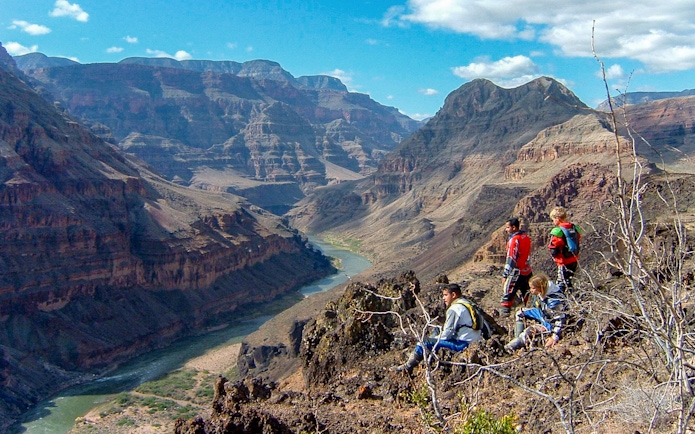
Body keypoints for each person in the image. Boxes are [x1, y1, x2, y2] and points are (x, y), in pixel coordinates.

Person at [392, 283, 482, 373]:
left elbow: (447, 334)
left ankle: (408, 367)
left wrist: (432, 340)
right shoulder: (467, 303)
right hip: (474, 341)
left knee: (423, 342)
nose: (443, 298)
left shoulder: (454, 309)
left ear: (453, 295)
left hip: (462, 344)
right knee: (437, 329)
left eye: (446, 295)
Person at [504, 273, 566, 352]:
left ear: (540, 288)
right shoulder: (542, 293)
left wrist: (554, 337)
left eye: (533, 288)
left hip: (549, 322)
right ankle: (517, 337)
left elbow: (560, 320)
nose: (531, 290)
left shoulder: (553, 301)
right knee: (520, 313)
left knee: (528, 332)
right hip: (543, 313)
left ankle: (514, 345)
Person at [499, 217, 533, 317]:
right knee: (528, 294)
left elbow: (511, 258)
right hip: (527, 270)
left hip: (517, 272)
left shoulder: (514, 240)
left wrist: (505, 275)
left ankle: (504, 317)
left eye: (507, 227)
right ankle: (531, 313)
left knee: (507, 294)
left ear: (514, 228)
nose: (506, 230)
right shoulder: (525, 237)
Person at [547, 206, 582, 292]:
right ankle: (570, 297)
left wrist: (555, 258)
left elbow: (553, 248)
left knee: (562, 283)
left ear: (557, 218)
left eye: (553, 219)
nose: (553, 221)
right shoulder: (575, 228)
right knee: (569, 280)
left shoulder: (557, 231)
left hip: (563, 261)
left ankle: (563, 301)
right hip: (574, 259)